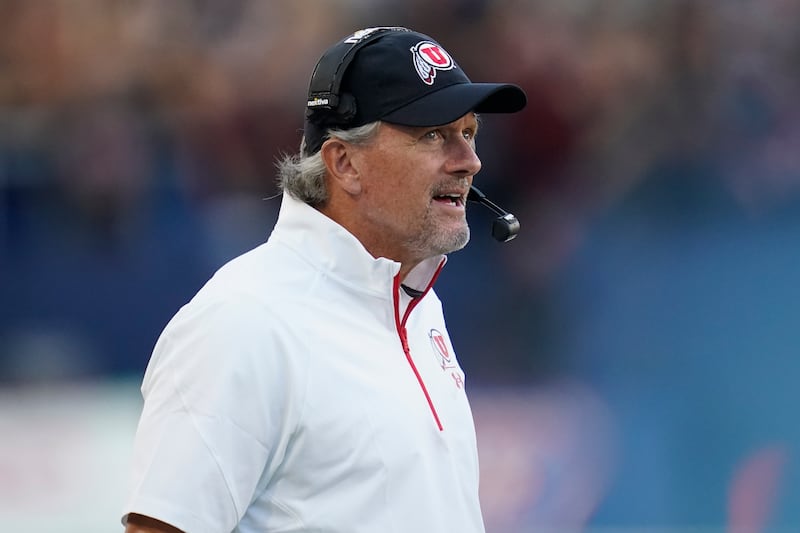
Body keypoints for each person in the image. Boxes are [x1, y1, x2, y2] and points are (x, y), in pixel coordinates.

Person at [122, 26, 526, 533]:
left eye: (468, 133)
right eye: (433, 135)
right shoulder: (243, 320)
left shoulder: (415, 305)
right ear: (345, 163)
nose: (470, 161)